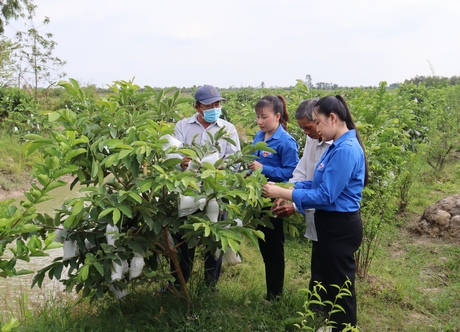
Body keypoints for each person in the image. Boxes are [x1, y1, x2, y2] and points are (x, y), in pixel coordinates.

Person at [262, 95, 368, 330]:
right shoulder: (337, 146)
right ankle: (331, 322)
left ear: (332, 118)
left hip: (339, 224)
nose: (317, 131)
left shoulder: (345, 149)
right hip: (329, 223)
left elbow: (326, 195)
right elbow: (314, 182)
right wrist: (290, 188)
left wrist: (284, 192)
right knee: (329, 277)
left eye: (317, 123)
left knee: (341, 282)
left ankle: (343, 326)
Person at [171, 84, 241, 290]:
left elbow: (235, 159)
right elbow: (173, 154)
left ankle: (210, 285)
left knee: (215, 237)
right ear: (197, 106)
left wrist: (218, 166)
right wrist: (181, 162)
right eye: (209, 104)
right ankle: (178, 282)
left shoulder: (228, 129)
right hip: (188, 189)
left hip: (216, 190)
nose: (215, 107)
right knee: (184, 237)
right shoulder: (183, 126)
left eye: (217, 103)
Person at [249, 95, 299, 302]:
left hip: (275, 199)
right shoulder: (259, 137)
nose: (260, 121)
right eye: (258, 117)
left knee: (274, 248)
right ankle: (271, 293)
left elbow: (292, 172)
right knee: (264, 246)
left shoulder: (286, 142)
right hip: (258, 197)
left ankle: (274, 296)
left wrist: (264, 168)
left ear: (277, 116)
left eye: (264, 117)